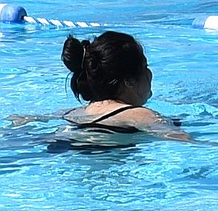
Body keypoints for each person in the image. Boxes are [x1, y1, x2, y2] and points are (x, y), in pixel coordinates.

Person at [59, 31, 190, 141]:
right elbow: (181, 139)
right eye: (145, 67)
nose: (150, 73)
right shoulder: (139, 114)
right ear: (129, 80)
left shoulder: (74, 112)